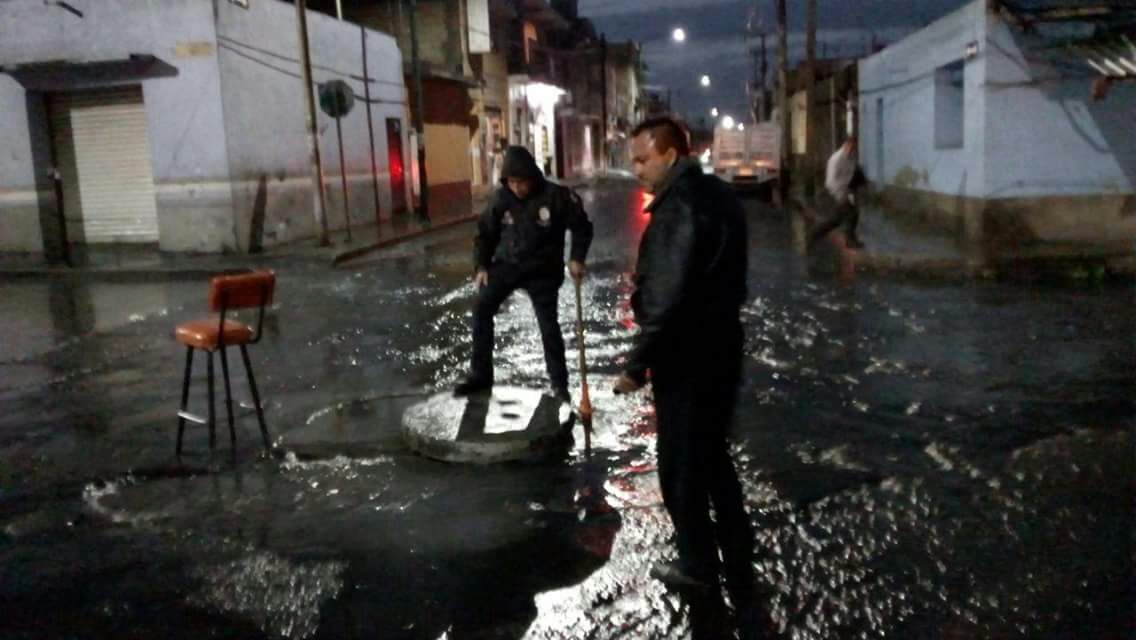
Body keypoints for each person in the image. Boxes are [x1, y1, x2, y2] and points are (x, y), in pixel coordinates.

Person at [613, 117, 757, 631]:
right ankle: (738, 545)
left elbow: (666, 302)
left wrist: (636, 364)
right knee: (713, 454)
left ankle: (698, 567)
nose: (636, 169)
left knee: (681, 467)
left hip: (688, 355)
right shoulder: (719, 195)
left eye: (643, 159)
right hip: (722, 346)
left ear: (670, 155)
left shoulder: (679, 209)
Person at [455, 146, 593, 403]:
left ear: (532, 176)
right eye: (512, 182)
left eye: (521, 182)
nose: (517, 188)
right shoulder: (501, 198)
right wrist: (481, 266)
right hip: (507, 265)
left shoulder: (556, 196)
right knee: (482, 308)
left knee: (548, 326)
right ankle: (480, 375)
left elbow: (582, 227)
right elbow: (485, 233)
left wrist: (577, 258)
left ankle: (559, 385)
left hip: (543, 269)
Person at [809, 136, 864, 249]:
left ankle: (815, 234)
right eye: (852, 147)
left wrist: (850, 190)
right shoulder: (836, 159)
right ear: (846, 145)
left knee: (839, 219)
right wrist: (840, 196)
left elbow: (849, 176)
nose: (853, 150)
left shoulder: (851, 158)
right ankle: (849, 241)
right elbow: (831, 182)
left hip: (843, 191)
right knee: (849, 215)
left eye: (855, 148)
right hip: (833, 193)